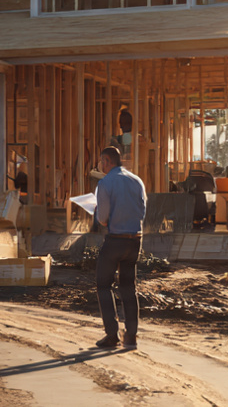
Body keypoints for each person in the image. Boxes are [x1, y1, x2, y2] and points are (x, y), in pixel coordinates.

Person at [93, 145, 147, 349]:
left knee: (103, 284)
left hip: (115, 239)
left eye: (101, 161)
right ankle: (131, 336)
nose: (100, 165)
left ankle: (111, 334)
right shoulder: (137, 180)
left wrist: (99, 215)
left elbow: (103, 219)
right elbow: (142, 211)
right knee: (128, 287)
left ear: (107, 161)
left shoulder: (105, 183)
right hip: (135, 240)